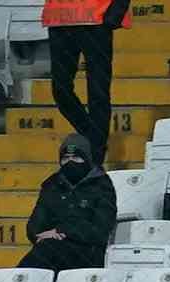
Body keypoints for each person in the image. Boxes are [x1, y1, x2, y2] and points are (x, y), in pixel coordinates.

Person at [42, 0, 131, 168]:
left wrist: (114, 13)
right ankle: (92, 141)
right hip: (60, 21)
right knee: (60, 90)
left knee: (98, 93)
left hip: (97, 21)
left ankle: (96, 157)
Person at [19, 134, 118, 274]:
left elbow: (100, 231)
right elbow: (34, 225)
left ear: (87, 159)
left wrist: (62, 231)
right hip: (50, 248)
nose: (70, 162)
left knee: (46, 251)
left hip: (88, 252)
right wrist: (44, 235)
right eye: (65, 158)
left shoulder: (102, 186)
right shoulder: (52, 185)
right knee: (48, 249)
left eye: (76, 157)